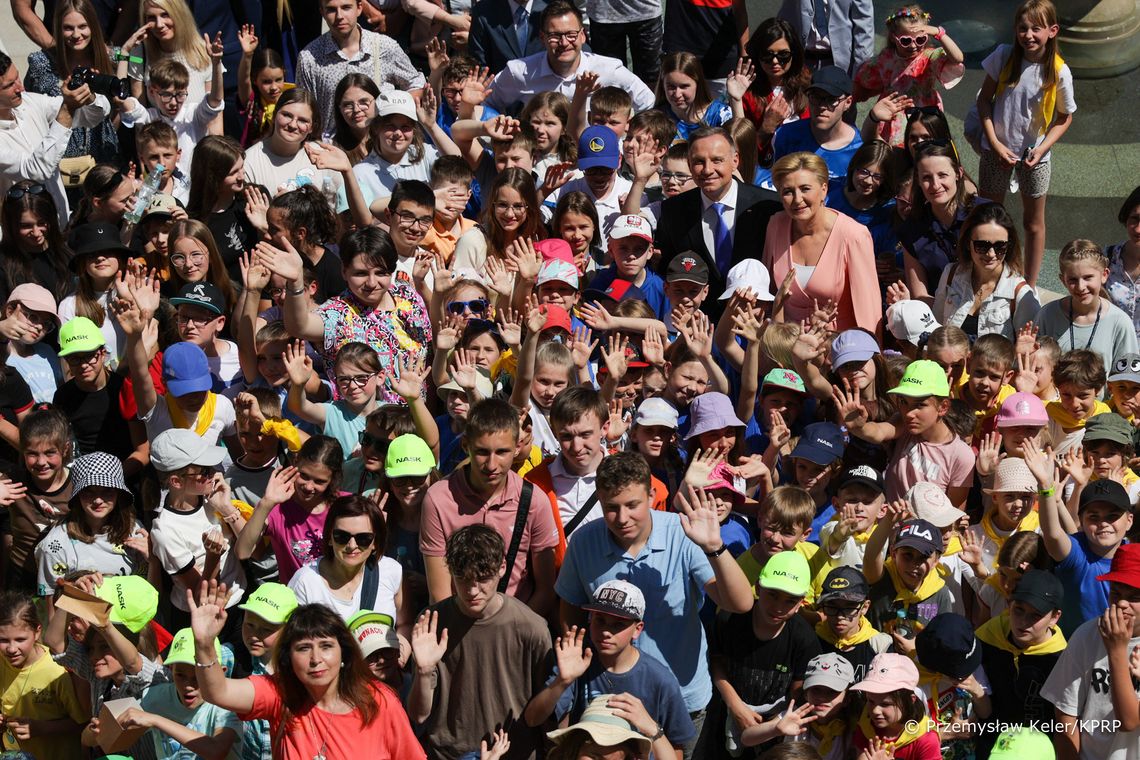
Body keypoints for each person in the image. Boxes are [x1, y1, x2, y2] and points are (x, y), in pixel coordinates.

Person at [556, 452, 757, 755]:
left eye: (632, 505)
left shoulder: (683, 532)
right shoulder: (584, 542)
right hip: (610, 701)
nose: (622, 519)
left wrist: (715, 548)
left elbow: (740, 603)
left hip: (681, 699)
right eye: (611, 508)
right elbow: (570, 608)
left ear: (651, 495)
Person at [187, 582, 426, 760]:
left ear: (344, 652)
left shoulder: (380, 699)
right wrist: (205, 644)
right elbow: (217, 692)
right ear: (288, 656)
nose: (315, 659)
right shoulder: (279, 693)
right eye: (303, 648)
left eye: (326, 646)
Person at [409, 524, 553, 760]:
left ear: (503, 568)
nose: (472, 590)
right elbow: (419, 715)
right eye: (463, 579)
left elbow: (544, 714)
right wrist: (424, 672)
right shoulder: (431, 624)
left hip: (512, 753)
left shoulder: (532, 628)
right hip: (448, 754)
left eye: (483, 578)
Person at [420, 398, 558, 615]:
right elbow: (440, 594)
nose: (492, 465)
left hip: (517, 626)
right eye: (482, 452)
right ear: (466, 446)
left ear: (517, 448)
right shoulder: (439, 498)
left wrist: (515, 632)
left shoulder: (534, 501)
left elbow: (546, 590)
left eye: (502, 452)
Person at [258, 226, 432, 397]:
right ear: (344, 271)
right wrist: (295, 282)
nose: (371, 282)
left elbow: (427, 357)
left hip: (417, 419)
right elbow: (299, 326)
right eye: (361, 273)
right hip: (362, 423)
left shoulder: (407, 296)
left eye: (380, 273)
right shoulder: (337, 313)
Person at [976, 0, 1075, 287]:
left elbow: (1064, 117)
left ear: (1052, 31)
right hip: (997, 151)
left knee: (1033, 223)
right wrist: (994, 142)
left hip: (1035, 157)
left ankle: (1029, 285)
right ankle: (987, 273)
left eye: (1036, 29)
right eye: (1022, 28)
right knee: (988, 216)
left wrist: (1042, 149)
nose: (1028, 35)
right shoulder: (1004, 57)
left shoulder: (1058, 71)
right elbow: (984, 100)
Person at [654, 126, 782, 306]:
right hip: (699, 322)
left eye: (717, 160)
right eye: (699, 161)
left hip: (753, 318)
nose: (707, 170)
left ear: (735, 160)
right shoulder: (672, 210)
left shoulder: (768, 206)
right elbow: (669, 268)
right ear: (690, 165)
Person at [1040, 543, 1140, 760]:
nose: (1122, 603)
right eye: (1116, 592)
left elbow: (1129, 722)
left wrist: (1116, 650)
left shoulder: (1111, 643)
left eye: (1134, 596)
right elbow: (1066, 714)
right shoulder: (1087, 635)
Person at [764, 151, 880, 335]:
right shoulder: (775, 225)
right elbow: (768, 291)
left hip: (838, 350)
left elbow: (868, 311)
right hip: (787, 350)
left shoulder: (854, 235)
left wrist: (869, 359)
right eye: (788, 192)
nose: (797, 199)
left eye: (805, 189)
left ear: (824, 189)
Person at [484, 0, 655, 114]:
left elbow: (648, 103)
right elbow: (487, 103)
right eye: (555, 36)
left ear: (582, 36)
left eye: (571, 35)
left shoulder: (608, 70)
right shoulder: (520, 72)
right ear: (542, 38)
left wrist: (625, 136)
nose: (564, 42)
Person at [0, 50, 111, 224]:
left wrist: (86, 95)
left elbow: (91, 117)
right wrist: (67, 110)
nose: (20, 87)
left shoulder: (29, 102)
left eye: (17, 78)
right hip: (23, 239)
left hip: (60, 226)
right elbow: (37, 171)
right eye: (9, 85)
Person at [295, 0, 425, 130]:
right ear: (322, 12)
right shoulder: (310, 57)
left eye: (346, 7)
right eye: (331, 10)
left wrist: (396, 110)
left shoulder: (383, 47)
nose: (339, 16)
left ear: (359, 8)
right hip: (333, 145)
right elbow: (304, 108)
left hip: (379, 146)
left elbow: (416, 83)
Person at [853, 5, 965, 148]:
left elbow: (957, 58)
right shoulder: (886, 57)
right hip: (895, 114)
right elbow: (864, 81)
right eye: (906, 40)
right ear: (894, 38)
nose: (913, 45)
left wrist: (938, 33)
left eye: (920, 40)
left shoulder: (928, 56)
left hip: (923, 113)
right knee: (895, 154)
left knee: (925, 151)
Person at [288, 494, 404, 625]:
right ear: (329, 537)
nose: (352, 546)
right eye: (342, 536)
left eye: (363, 538)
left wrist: (401, 645)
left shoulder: (391, 571)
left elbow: (404, 625)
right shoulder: (305, 582)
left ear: (376, 542)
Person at [932, 201, 1039, 341]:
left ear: (1009, 246)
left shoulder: (1021, 295)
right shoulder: (951, 274)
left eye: (1000, 246)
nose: (991, 254)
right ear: (967, 244)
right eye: (981, 245)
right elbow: (936, 329)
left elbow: (1029, 349)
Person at [761, 66, 862, 188]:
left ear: (848, 102)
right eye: (815, 97)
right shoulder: (785, 135)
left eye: (831, 100)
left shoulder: (859, 148)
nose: (822, 106)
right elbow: (766, 179)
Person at [778, 0, 875, 78]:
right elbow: (786, 16)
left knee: (836, 101)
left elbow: (864, 29)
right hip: (803, 61)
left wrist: (860, 75)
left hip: (839, 64)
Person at [468, 0, 549, 73]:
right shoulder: (483, 12)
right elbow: (479, 64)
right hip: (499, 87)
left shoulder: (551, 8)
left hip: (545, 87)